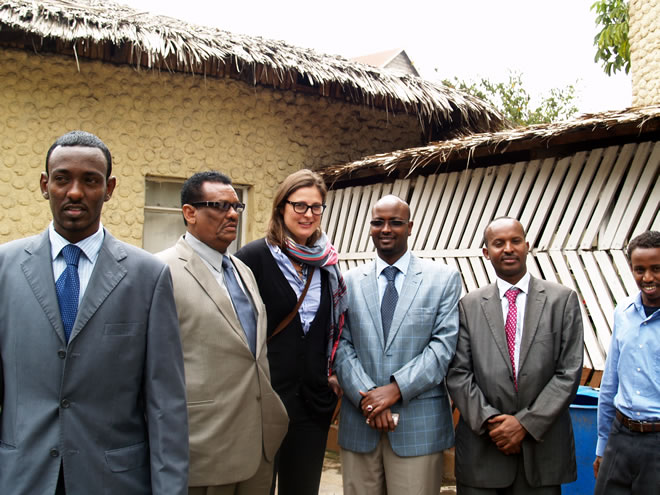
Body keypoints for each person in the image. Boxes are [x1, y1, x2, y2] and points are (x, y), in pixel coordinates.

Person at [0, 130, 189, 494]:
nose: (75, 192)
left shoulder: (147, 276)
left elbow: (165, 403)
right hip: (21, 477)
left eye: (90, 180)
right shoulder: (4, 269)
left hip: (113, 481)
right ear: (44, 185)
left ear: (109, 188)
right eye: (62, 179)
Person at [157, 171, 288, 495]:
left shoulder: (242, 270)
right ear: (189, 213)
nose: (232, 215)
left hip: (259, 443)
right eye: (220, 206)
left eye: (236, 206)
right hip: (203, 447)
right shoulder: (160, 271)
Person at [334, 194, 461, 495]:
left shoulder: (442, 279)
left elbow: (442, 348)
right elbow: (340, 345)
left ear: (410, 227)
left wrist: (394, 390)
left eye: (396, 222)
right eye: (378, 222)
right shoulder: (347, 281)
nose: (386, 229)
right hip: (360, 423)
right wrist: (369, 398)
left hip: (418, 427)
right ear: (370, 227)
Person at [446, 217, 584, 495]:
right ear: (486, 253)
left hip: (540, 452)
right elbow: (458, 373)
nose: (508, 248)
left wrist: (524, 424)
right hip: (483, 451)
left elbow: (568, 372)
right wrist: (492, 423)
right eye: (499, 243)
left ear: (527, 246)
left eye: (515, 241)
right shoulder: (468, 306)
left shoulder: (561, 300)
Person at [235, 169, 346, 495]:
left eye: (316, 206)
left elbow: (333, 328)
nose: (308, 214)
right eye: (299, 205)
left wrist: (332, 373)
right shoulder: (252, 258)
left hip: (312, 403)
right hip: (263, 402)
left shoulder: (326, 264)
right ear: (281, 207)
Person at [593, 230, 660, 494]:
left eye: (656, 269)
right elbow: (610, 382)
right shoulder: (623, 312)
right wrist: (602, 446)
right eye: (639, 270)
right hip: (620, 436)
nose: (648, 278)